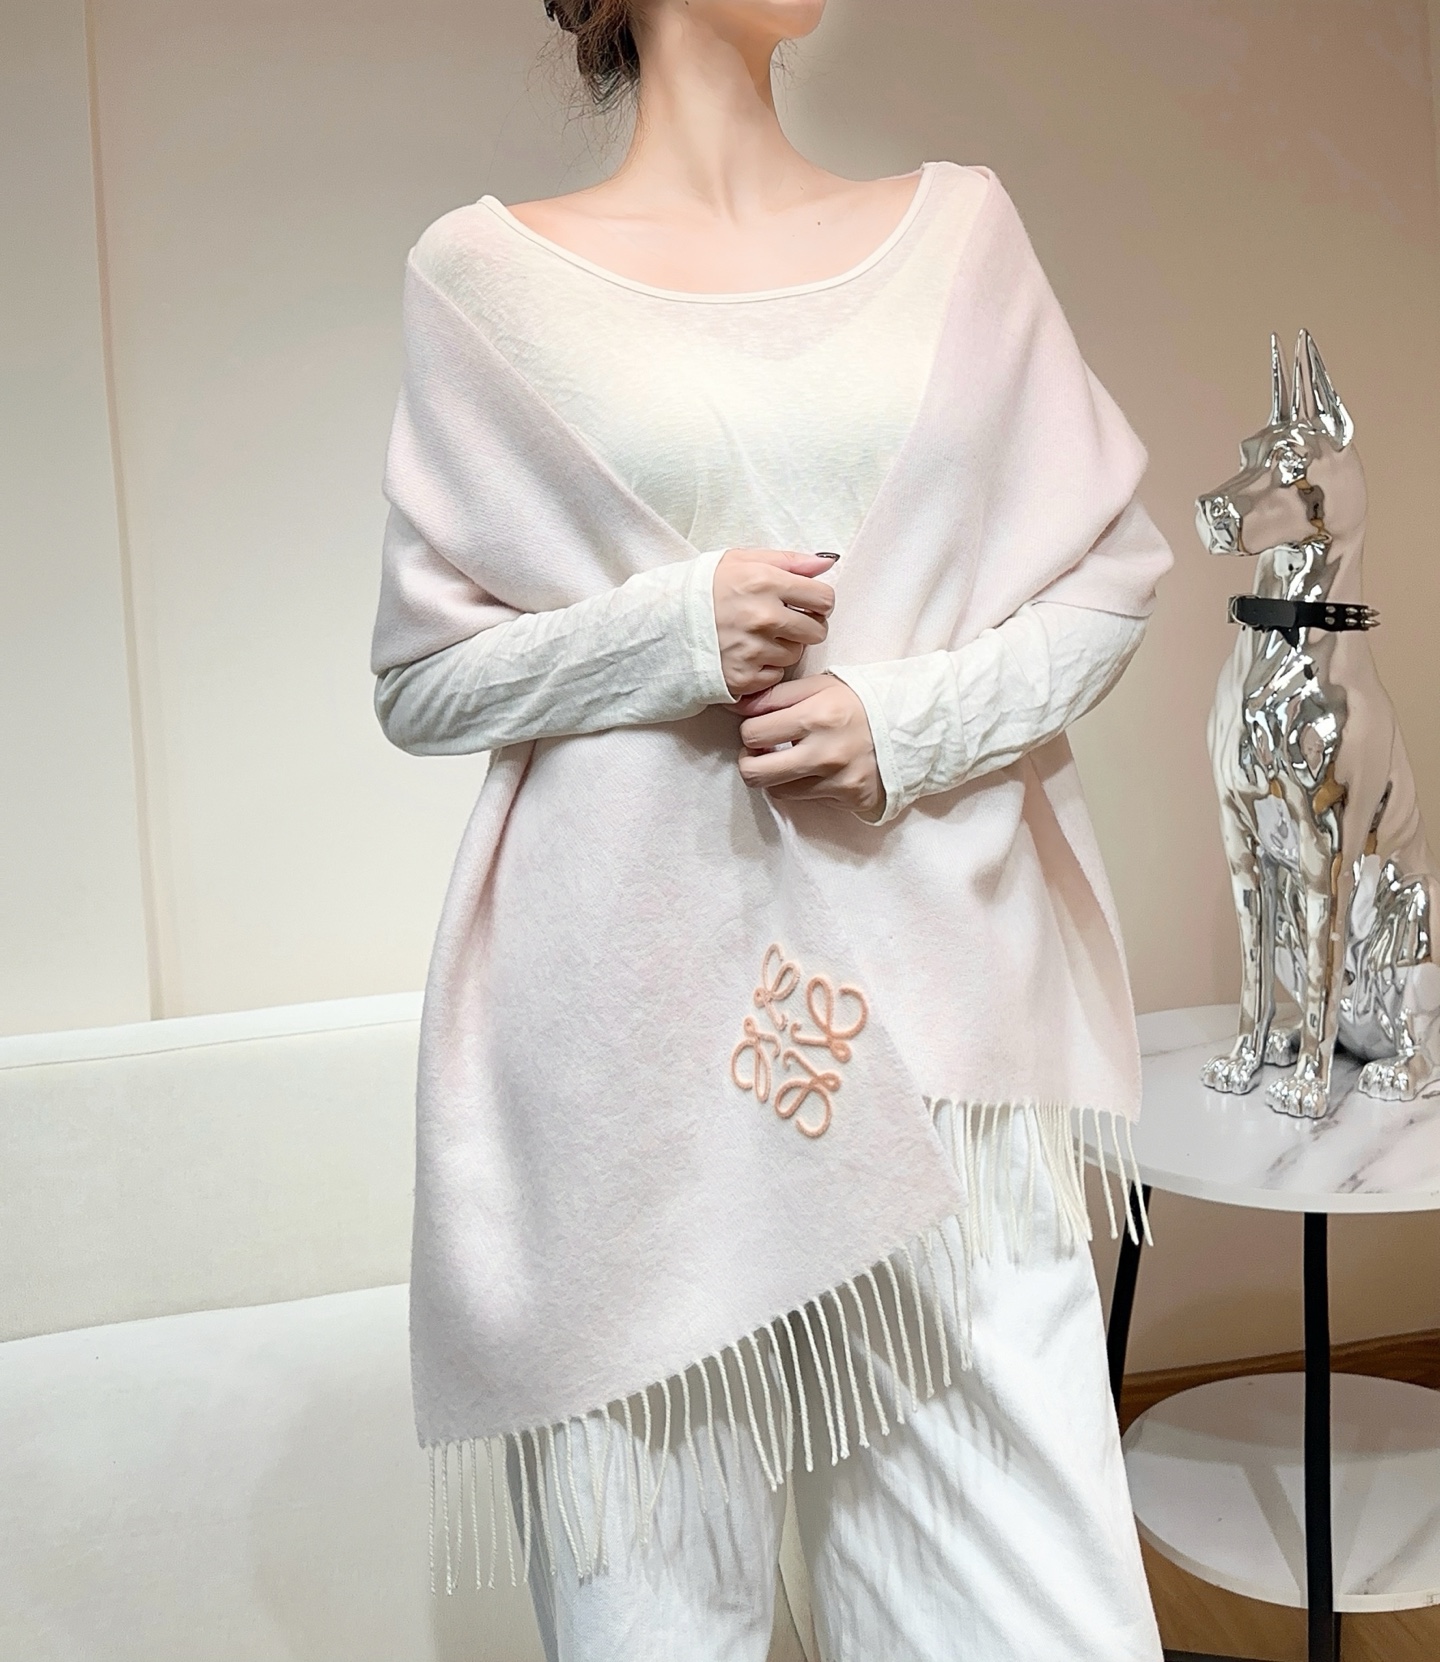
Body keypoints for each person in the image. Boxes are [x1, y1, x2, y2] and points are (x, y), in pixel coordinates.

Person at [370, 2, 1173, 1657]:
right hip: (630, 1085)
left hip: (937, 1051)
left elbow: (1111, 577)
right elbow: (422, 676)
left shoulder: (961, 235)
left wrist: (906, 720)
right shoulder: (483, 280)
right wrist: (672, 630)